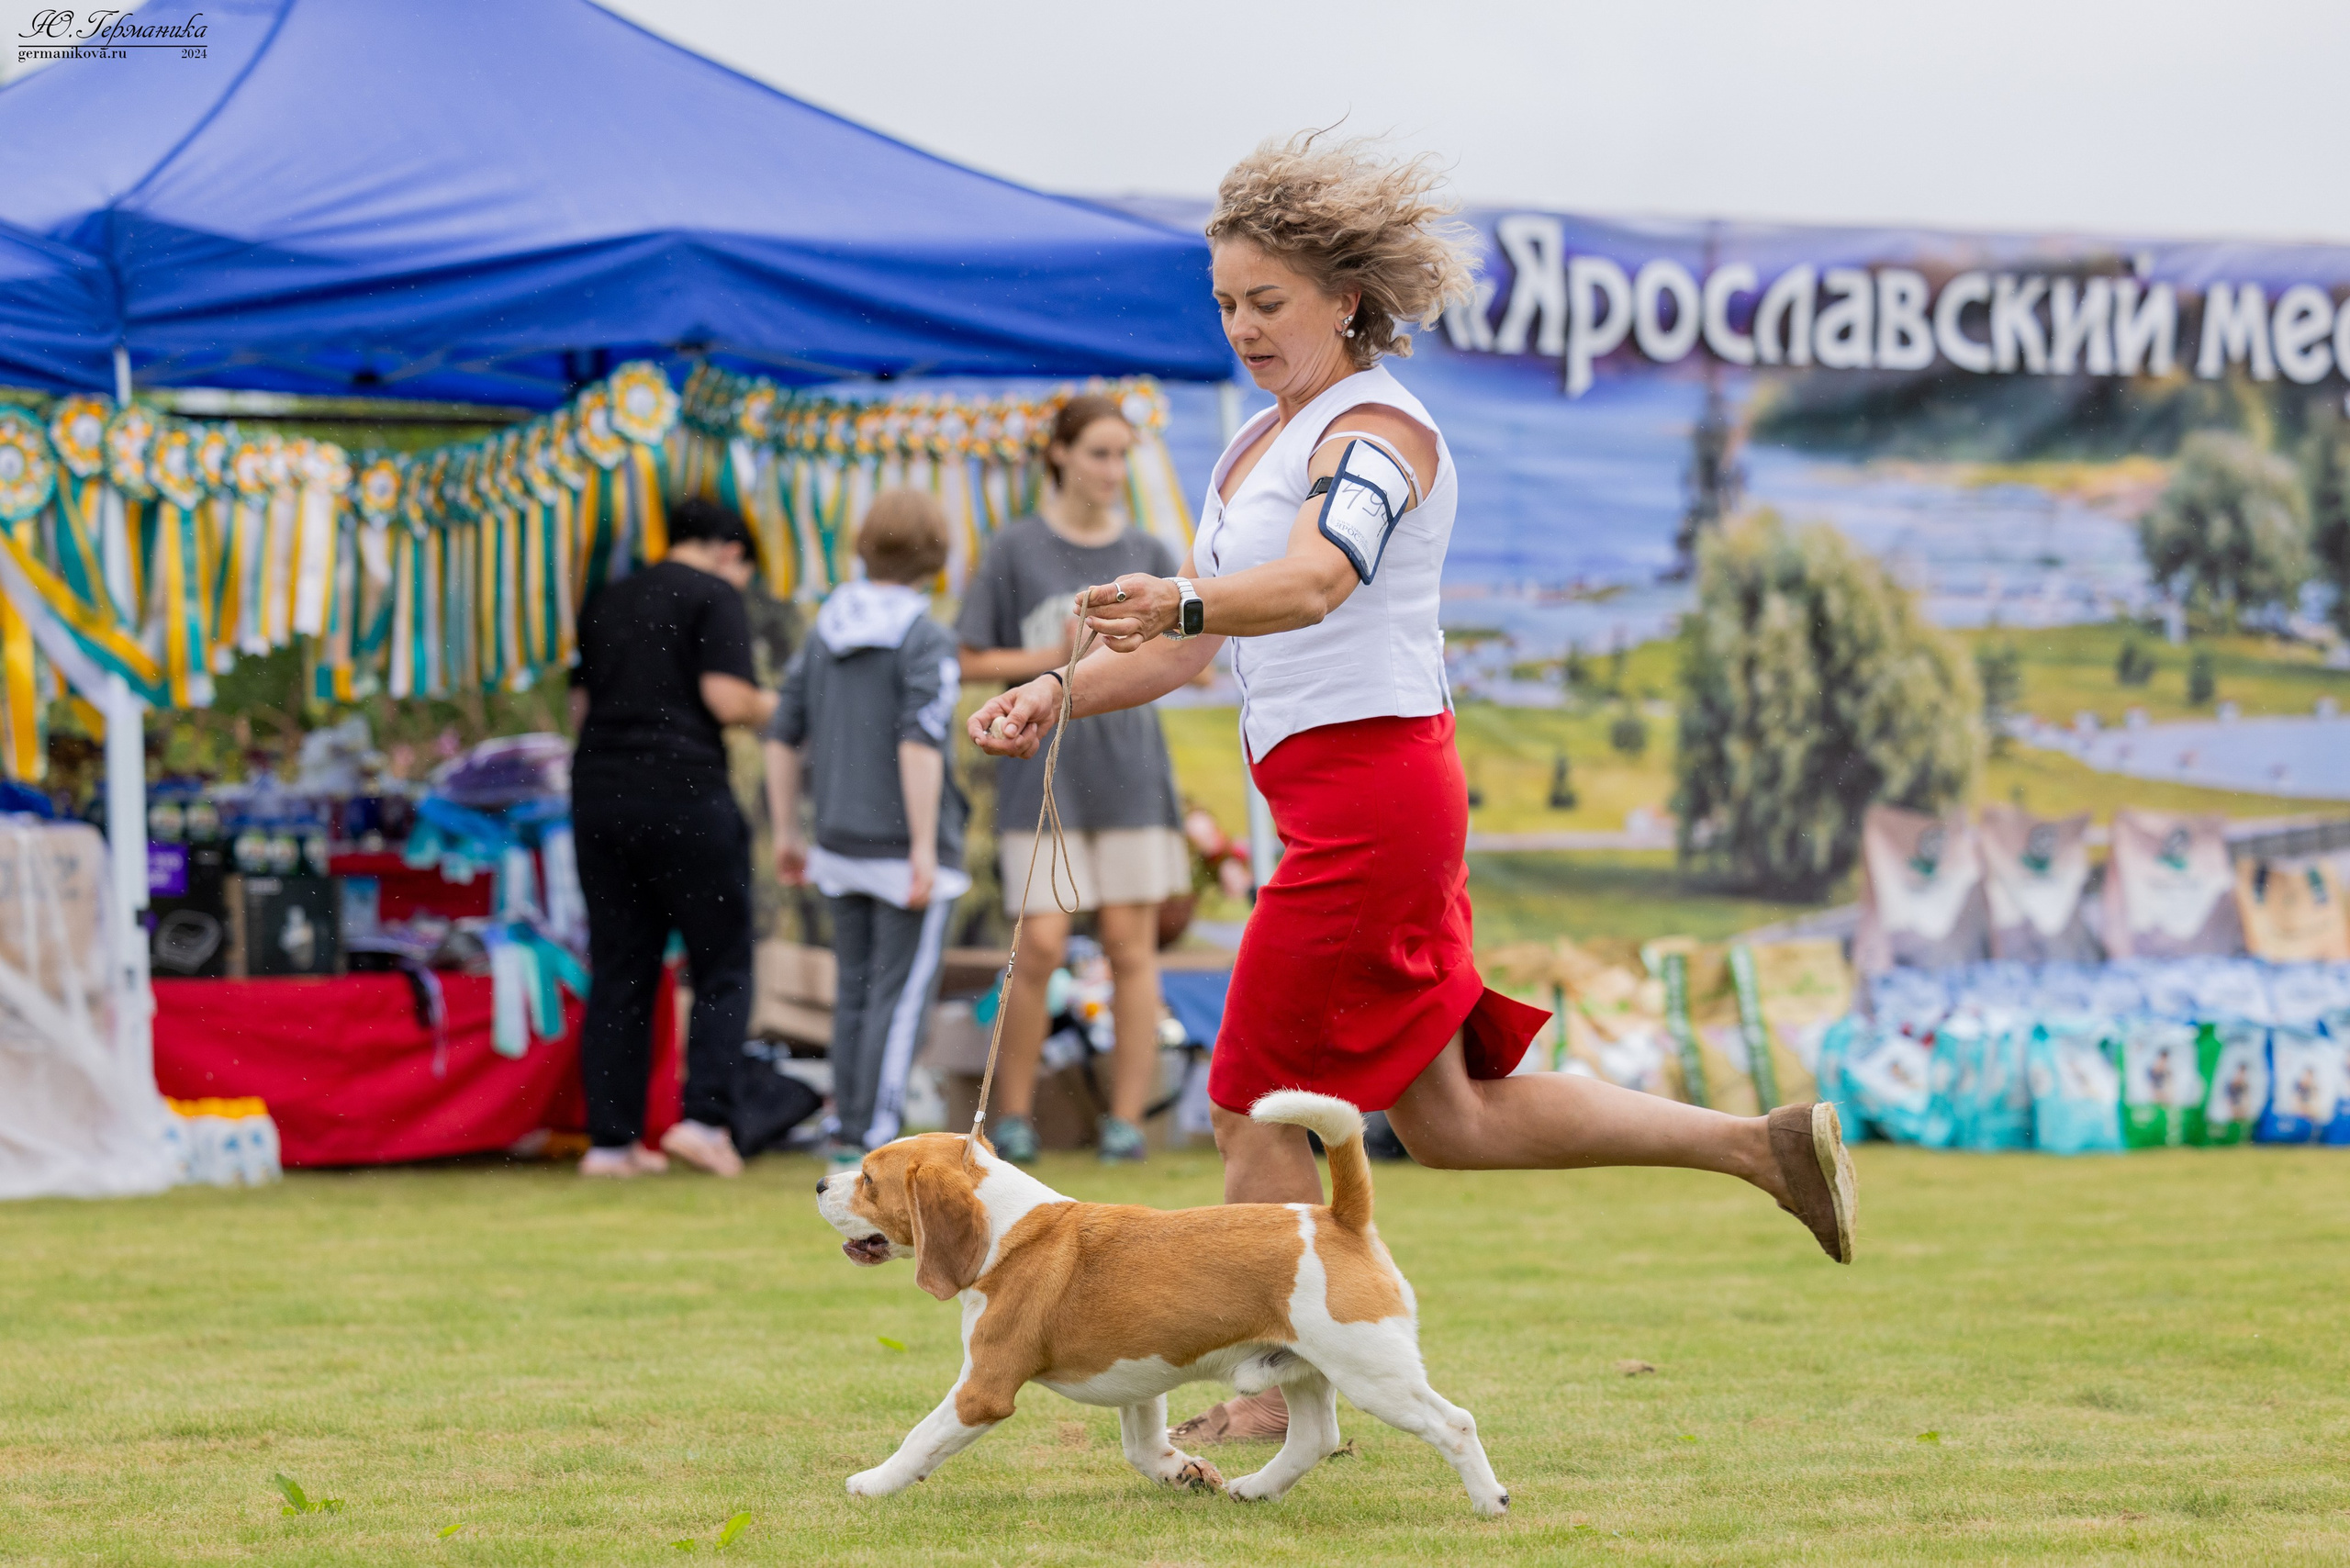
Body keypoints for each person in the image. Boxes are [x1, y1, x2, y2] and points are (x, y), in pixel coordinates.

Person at [972, 134, 1857, 1442]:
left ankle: (1268, 1404)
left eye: (1267, 301)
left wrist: (1184, 589)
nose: (1243, 327)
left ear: (1345, 295)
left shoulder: (1379, 429)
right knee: (1450, 1119)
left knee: (1251, 1103)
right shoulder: (1250, 451)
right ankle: (1758, 1146)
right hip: (1345, 799)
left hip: (1372, 803)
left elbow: (1322, 579)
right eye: (1225, 303)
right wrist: (1061, 689)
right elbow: (1203, 648)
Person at [956, 395, 1190, 1166]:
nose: (1113, 470)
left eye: (1123, 455)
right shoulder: (1015, 548)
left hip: (1130, 772)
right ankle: (1012, 1116)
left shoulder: (1150, 547)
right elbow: (969, 659)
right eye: (1098, 452)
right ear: (1058, 454)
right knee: (1042, 945)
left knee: (1131, 946)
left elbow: (1181, 662)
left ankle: (1128, 1120)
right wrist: (1054, 664)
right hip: (1042, 776)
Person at [569, 498, 775, 1179]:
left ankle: (610, 1141)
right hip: (684, 792)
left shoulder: (609, 595)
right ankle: (704, 1121)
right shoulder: (714, 595)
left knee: (622, 964)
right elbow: (726, 699)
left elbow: (580, 707)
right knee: (721, 961)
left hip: (599, 792)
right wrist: (784, 705)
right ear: (730, 551)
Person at [767, 490, 969, 1173]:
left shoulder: (825, 629)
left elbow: (781, 734)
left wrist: (786, 830)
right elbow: (921, 740)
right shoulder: (925, 636)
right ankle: (876, 1135)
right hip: (904, 844)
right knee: (900, 993)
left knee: (853, 986)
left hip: (835, 841)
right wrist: (921, 846)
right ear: (934, 555)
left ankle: (850, 1121)